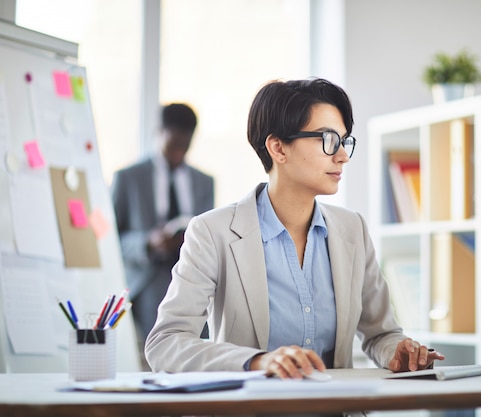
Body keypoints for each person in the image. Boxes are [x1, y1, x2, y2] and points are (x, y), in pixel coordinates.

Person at [145, 79, 444, 378]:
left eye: (344, 141)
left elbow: (380, 334)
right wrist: (257, 362)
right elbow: (166, 343)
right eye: (328, 140)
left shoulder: (352, 229)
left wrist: (398, 352)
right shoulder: (213, 232)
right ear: (278, 148)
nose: (342, 155)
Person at [111, 103, 215, 345]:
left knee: (203, 341)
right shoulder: (129, 178)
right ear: (159, 132)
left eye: (185, 145)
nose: (179, 151)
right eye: (174, 144)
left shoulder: (204, 181)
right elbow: (110, 240)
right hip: (149, 276)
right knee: (164, 343)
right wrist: (148, 243)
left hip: (193, 271)